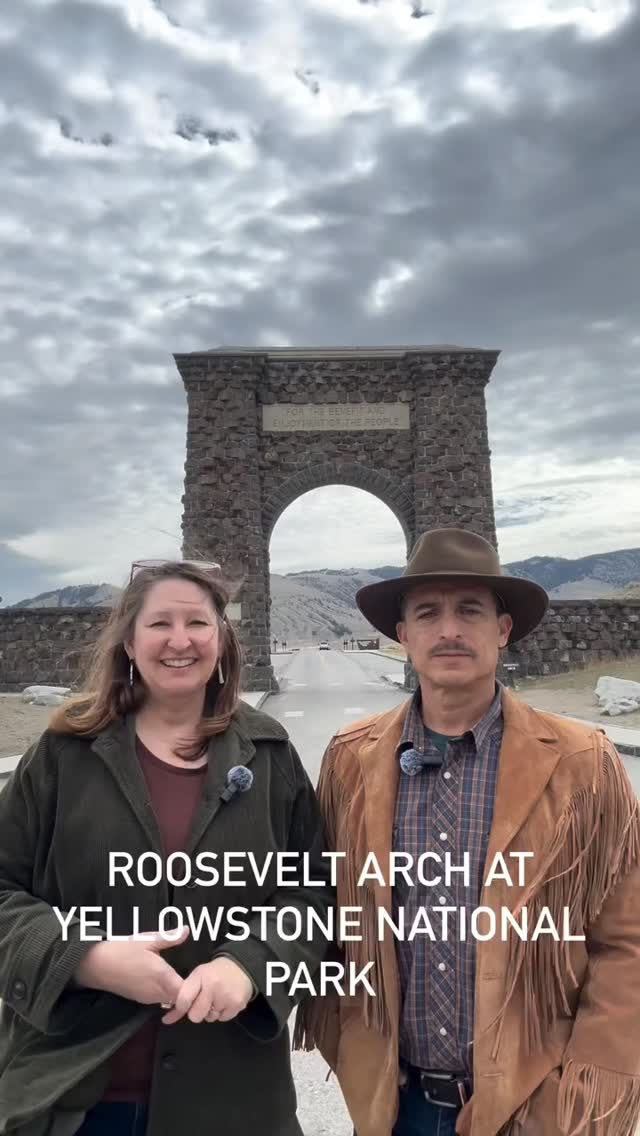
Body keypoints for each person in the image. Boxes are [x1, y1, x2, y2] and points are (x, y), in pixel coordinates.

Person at [294, 528, 640, 1136]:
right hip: (394, 1105)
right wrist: (346, 1044)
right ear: (403, 636)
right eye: (427, 613)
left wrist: (581, 1092)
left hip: (533, 1106)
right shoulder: (351, 760)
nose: (449, 629)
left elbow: (626, 941)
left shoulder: (584, 761)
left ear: (503, 630)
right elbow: (327, 913)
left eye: (470, 611)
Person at [0, 559, 332, 1136]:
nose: (180, 641)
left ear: (221, 640)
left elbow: (316, 897)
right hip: (73, 1099)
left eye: (198, 623)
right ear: (129, 642)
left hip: (231, 1102)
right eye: (160, 624)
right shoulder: (62, 754)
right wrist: (85, 960)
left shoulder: (271, 755)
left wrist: (249, 967)